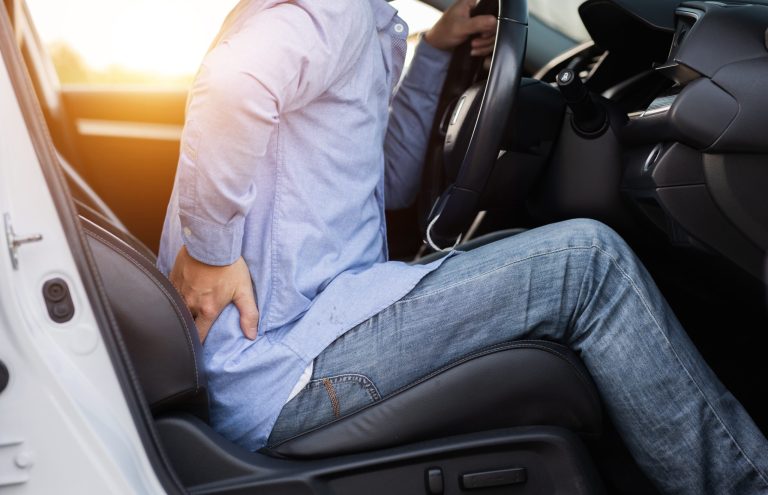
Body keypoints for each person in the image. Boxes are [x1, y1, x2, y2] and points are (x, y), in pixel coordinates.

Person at [157, 0, 768, 493]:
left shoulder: (361, 21)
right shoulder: (331, 11)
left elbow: (390, 177)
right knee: (589, 264)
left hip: (306, 334)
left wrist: (434, 52)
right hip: (286, 366)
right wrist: (212, 250)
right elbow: (232, 86)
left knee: (519, 250)